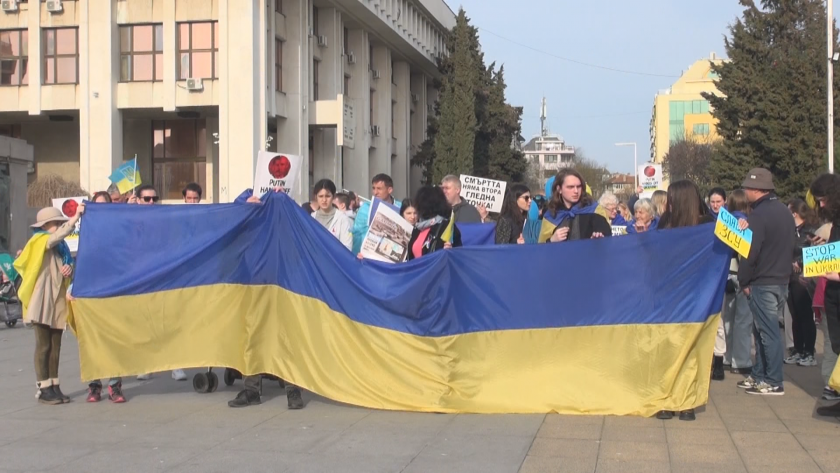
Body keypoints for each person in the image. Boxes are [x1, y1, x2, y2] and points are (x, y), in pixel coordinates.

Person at [229, 187, 305, 410]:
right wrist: (247, 204)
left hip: (285, 284)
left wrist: (282, 200)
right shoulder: (249, 200)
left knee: (288, 336)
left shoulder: (286, 210)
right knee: (253, 335)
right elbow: (233, 215)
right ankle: (251, 390)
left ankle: (293, 390)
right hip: (254, 283)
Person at [13, 204, 85, 404]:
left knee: (56, 345)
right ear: (47, 225)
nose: (59, 227)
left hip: (57, 298)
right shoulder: (39, 240)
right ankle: (43, 387)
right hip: (42, 299)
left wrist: (68, 269)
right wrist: (75, 218)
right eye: (57, 223)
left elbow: (66, 265)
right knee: (43, 345)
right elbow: (54, 238)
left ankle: (54, 385)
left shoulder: (59, 248)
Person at [656, 180, 715, 421]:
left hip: (680, 293)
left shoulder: (705, 224)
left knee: (679, 345)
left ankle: (679, 400)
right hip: (686, 294)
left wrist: (740, 227)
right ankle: (677, 401)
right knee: (681, 346)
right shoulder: (670, 223)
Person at [736, 168, 795, 397]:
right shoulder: (784, 211)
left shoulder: (758, 215)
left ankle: (773, 380)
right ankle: (760, 375)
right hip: (780, 280)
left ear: (756, 190)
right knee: (763, 330)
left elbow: (751, 250)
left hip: (763, 281)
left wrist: (744, 279)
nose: (744, 192)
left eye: (746, 188)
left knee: (767, 332)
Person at [131, 184, 188, 382]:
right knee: (146, 322)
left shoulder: (165, 219)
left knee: (169, 320)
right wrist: (127, 212)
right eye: (147, 199)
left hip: (164, 277)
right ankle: (146, 365)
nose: (151, 202)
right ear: (137, 200)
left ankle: (176, 364)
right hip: (142, 279)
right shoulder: (130, 219)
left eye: (154, 198)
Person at [721, 189, 753, 376]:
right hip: (742, 272)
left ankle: (725, 356)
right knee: (743, 319)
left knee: (727, 319)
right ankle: (740, 361)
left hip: (726, 273)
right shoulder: (747, 224)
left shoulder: (725, 223)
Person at [785, 198, 818, 367]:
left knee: (805, 315)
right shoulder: (790, 230)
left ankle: (809, 351)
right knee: (794, 315)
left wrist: (800, 262)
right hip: (789, 276)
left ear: (795, 213)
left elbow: (815, 251)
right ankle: (798, 349)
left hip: (803, 277)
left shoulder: (810, 230)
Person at [540, 169, 611, 243]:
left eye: (578, 186)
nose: (576, 191)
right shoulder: (551, 215)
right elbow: (541, 249)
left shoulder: (594, 210)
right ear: (559, 189)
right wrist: (551, 240)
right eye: (570, 187)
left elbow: (607, 238)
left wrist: (598, 238)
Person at [408, 186, 462, 260]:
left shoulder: (446, 226)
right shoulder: (418, 228)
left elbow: (459, 255)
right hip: (417, 271)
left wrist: (451, 251)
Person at [311, 179, 353, 250]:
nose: (324, 200)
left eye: (327, 196)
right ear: (316, 197)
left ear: (333, 196)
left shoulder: (343, 219)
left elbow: (347, 248)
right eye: (321, 196)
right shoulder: (311, 217)